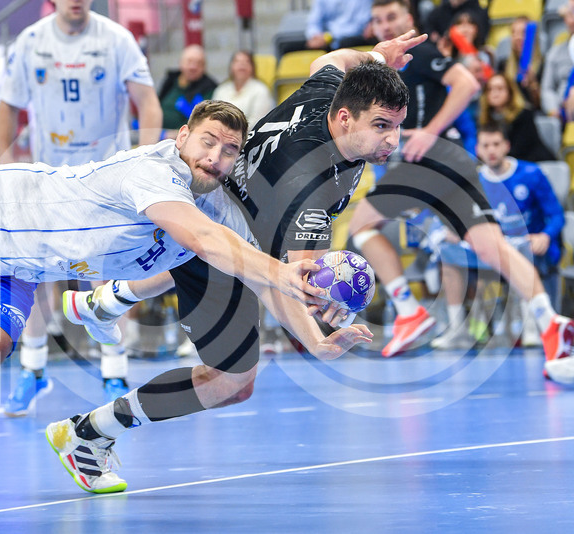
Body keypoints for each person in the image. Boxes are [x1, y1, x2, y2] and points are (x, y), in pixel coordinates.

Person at [0, 100, 374, 513]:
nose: (215, 157)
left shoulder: (219, 207)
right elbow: (203, 241)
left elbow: (263, 280)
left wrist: (317, 341)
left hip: (13, 268)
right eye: (207, 141)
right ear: (183, 136)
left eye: (230, 151)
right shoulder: (155, 172)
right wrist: (281, 269)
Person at [48, 33, 423, 494]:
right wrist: (321, 335)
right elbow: (290, 282)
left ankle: (106, 301)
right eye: (382, 125)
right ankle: (87, 433)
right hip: (221, 249)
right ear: (346, 118)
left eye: (398, 126)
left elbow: (329, 59)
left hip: (213, 207)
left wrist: (376, 56)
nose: (393, 139)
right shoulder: (310, 186)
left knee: (232, 358)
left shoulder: (328, 95)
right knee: (232, 381)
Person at [346, 0, 574, 379]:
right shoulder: (385, 69)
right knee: (491, 247)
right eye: (378, 20)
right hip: (450, 164)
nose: (385, 25)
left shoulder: (418, 53)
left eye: (392, 17)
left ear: (409, 19)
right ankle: (549, 321)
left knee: (362, 226)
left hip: (432, 161)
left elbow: (467, 84)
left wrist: (429, 132)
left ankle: (409, 312)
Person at [0, 0, 163, 410]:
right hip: (48, 178)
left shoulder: (117, 39)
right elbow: (8, 108)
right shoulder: (30, 41)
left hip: (106, 177)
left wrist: (145, 162)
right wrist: (7, 165)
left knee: (103, 274)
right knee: (35, 272)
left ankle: (114, 371)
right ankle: (33, 369)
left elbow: (149, 103)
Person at [431, 124, 565, 350]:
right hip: (490, 249)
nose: (491, 150)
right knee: (448, 255)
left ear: (506, 146)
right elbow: (458, 219)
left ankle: (532, 329)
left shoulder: (531, 174)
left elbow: (557, 215)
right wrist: (454, 231)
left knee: (522, 251)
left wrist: (545, 235)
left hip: (528, 245)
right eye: (485, 145)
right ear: (478, 149)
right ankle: (458, 330)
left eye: (496, 144)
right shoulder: (472, 180)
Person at [479, 73, 556, 162]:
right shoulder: (486, 118)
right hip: (500, 164)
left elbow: (521, 149)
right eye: (490, 89)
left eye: (500, 88)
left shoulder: (524, 114)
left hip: (533, 162)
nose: (495, 93)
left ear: (510, 92)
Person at [158, 44, 217, 136]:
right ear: (180, 63)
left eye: (199, 63)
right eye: (189, 61)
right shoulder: (170, 81)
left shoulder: (209, 88)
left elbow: (201, 121)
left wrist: (178, 133)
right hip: (157, 131)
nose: (193, 67)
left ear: (204, 67)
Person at [212, 50, 275, 126]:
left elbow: (257, 121)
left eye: (246, 61)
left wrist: (232, 130)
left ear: (252, 67)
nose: (242, 64)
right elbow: (214, 116)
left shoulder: (261, 90)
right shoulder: (221, 90)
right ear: (231, 67)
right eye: (237, 61)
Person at [540, 2, 574, 119]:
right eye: (570, 16)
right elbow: (547, 88)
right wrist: (554, 110)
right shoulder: (555, 53)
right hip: (562, 115)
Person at [303, 0, 376, 51]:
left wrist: (329, 36)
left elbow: (359, 26)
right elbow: (314, 22)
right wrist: (315, 36)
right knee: (301, 46)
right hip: (326, 41)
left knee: (346, 43)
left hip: (353, 39)